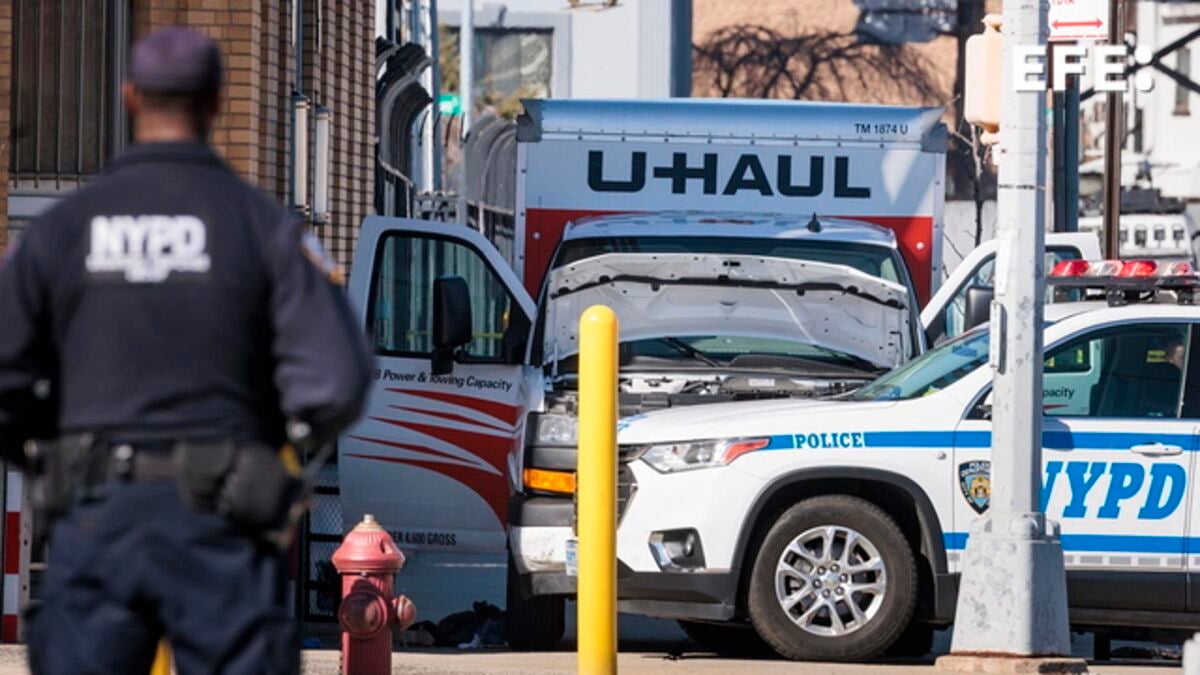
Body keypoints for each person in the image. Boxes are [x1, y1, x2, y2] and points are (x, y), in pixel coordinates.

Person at [0, 27, 372, 674]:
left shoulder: (62, 230)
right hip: (223, 526)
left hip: (97, 519)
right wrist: (278, 455)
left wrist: (44, 452)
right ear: (217, 101)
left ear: (129, 96)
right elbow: (339, 377)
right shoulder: (261, 229)